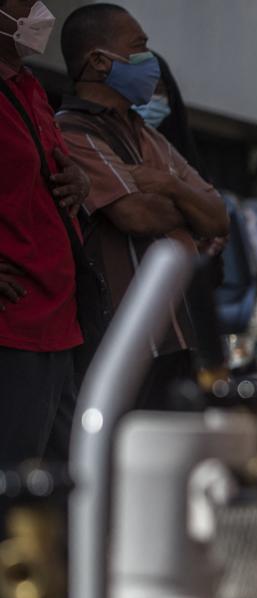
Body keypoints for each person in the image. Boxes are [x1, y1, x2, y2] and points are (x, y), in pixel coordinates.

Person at [55, 3, 229, 406]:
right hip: (128, 342)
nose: (149, 60)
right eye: (139, 47)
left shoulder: (149, 136)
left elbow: (219, 218)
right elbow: (136, 215)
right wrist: (188, 210)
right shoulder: (72, 130)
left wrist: (167, 184)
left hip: (183, 332)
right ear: (99, 61)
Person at [0, 0, 91, 463]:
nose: (40, 10)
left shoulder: (30, 87)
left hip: (58, 323)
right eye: (25, 0)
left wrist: (80, 180)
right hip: (13, 326)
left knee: (64, 486)